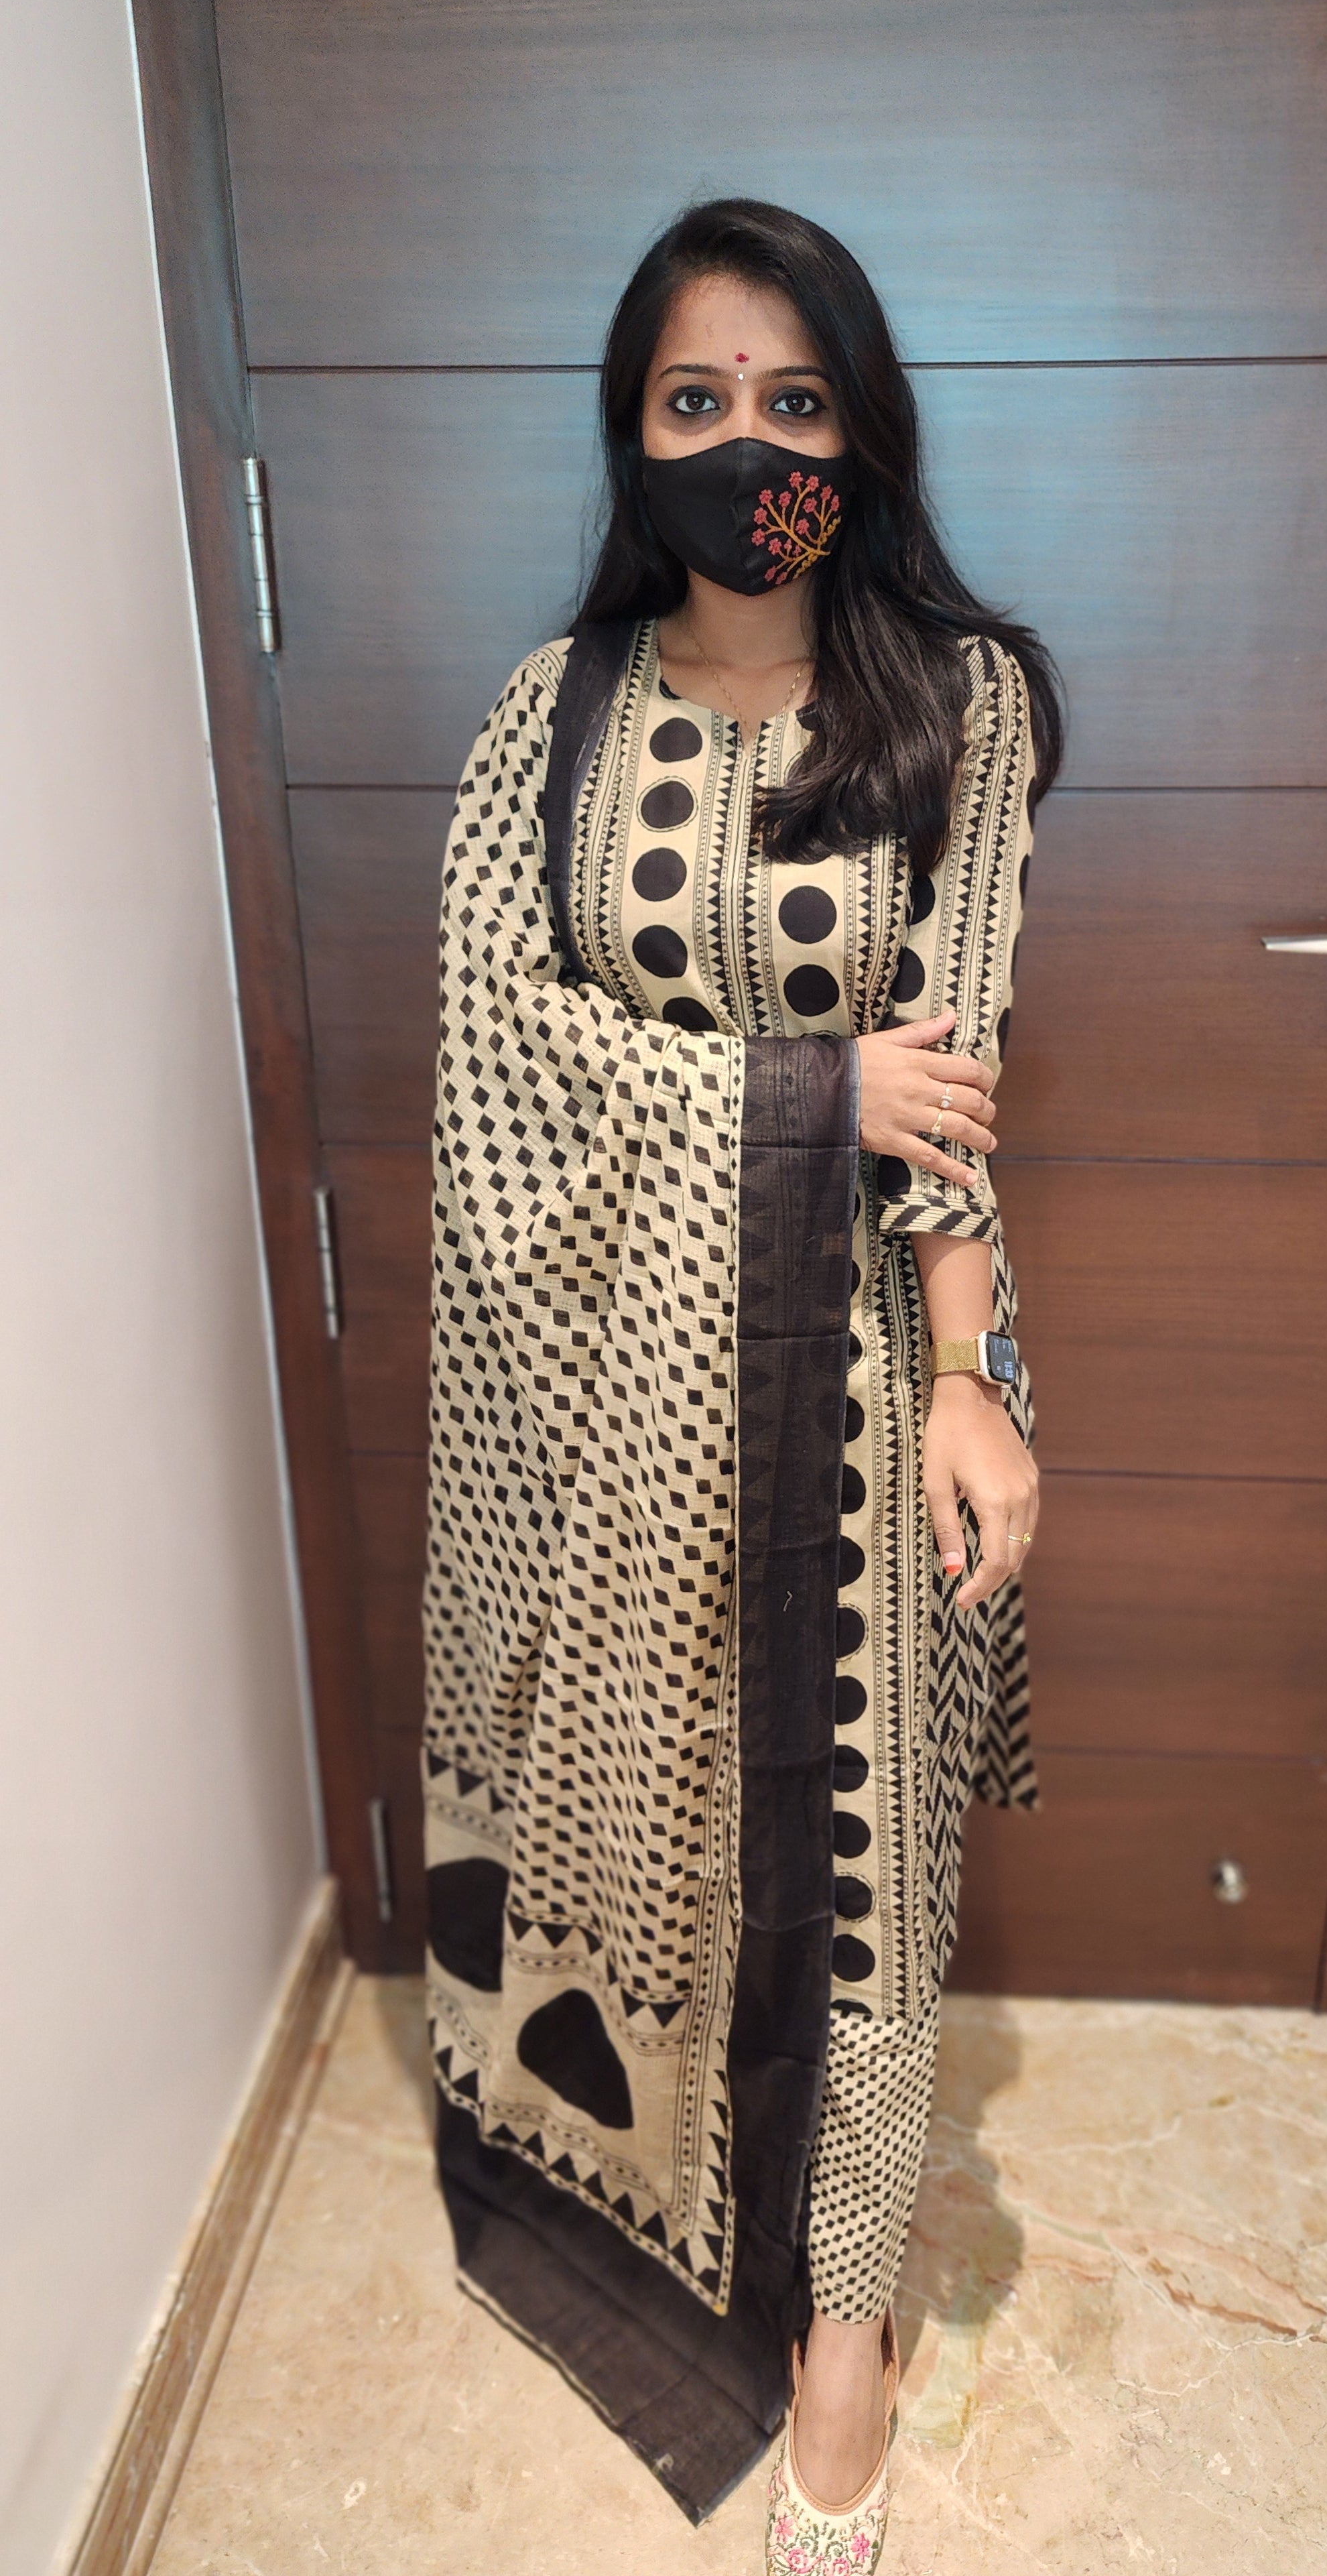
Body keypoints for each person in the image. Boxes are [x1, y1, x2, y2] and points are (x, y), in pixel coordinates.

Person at [422, 196, 1061, 2571]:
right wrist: (807, 1094)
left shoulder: (952, 706)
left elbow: (953, 1076)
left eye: (793, 402)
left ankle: (841, 2343)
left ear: (857, 434)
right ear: (633, 433)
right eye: (696, 402)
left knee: (859, 1873)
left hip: (865, 1380)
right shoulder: (550, 718)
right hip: (607, 1416)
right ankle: (664, 2213)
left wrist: (974, 1377)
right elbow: (496, 1058)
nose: (745, 448)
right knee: (662, 1826)